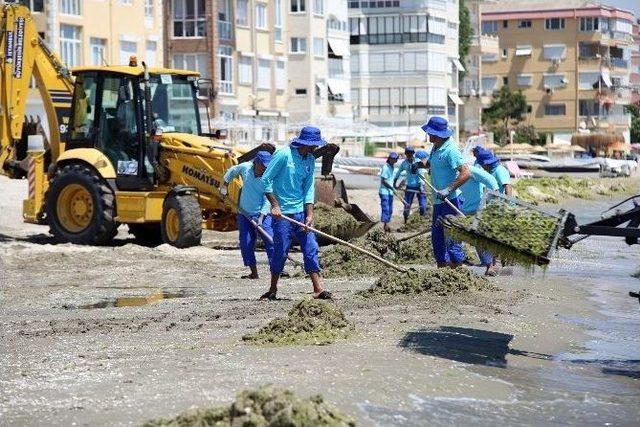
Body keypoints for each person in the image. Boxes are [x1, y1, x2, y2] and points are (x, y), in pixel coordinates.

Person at [259, 126, 332, 300]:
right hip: (282, 215)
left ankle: (318, 288)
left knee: (311, 248)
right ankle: (273, 288)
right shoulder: (284, 155)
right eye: (312, 145)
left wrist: (310, 214)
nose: (314, 148)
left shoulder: (310, 159)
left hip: (300, 213)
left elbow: (308, 189)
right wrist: (274, 205)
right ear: (304, 143)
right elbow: (265, 180)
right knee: (281, 251)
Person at [423, 117, 470, 268]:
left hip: (451, 201)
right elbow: (430, 163)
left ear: (438, 134)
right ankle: (442, 271)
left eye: (430, 133)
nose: (428, 136)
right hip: (438, 201)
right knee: (437, 237)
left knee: (451, 238)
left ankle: (458, 271)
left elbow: (465, 173)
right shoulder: (436, 147)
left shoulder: (451, 151)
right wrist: (419, 164)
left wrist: (448, 189)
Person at [220, 151, 274, 280]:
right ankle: (253, 273)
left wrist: (261, 217)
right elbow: (232, 171)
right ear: (256, 163)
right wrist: (224, 187)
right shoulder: (246, 168)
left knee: (271, 241)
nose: (265, 169)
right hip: (244, 213)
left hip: (263, 214)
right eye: (263, 166)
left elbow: (268, 200)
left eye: (267, 166)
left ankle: (276, 270)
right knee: (246, 243)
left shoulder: (269, 176)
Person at [459, 164, 500, 276]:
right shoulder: (453, 173)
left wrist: (496, 195)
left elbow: (490, 179)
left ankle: (490, 265)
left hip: (478, 209)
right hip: (464, 209)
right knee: (472, 239)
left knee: (479, 239)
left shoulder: (471, 170)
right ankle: (488, 263)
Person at [394, 146, 427, 222]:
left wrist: (422, 186)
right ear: (406, 154)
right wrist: (395, 182)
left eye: (411, 153)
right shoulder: (404, 163)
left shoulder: (418, 161)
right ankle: (405, 221)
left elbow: (421, 174)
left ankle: (421, 221)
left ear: (413, 154)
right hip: (410, 187)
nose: (409, 155)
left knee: (422, 206)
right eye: (408, 154)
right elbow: (398, 173)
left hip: (420, 186)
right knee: (407, 205)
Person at [379, 152, 399, 232]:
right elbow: (384, 181)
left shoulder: (392, 167)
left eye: (395, 159)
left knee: (390, 209)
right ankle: (385, 225)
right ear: (389, 158)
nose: (393, 160)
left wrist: (395, 187)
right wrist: (392, 188)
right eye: (392, 158)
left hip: (390, 192)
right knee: (386, 208)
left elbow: (392, 179)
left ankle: (387, 224)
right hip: (384, 191)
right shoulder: (386, 167)